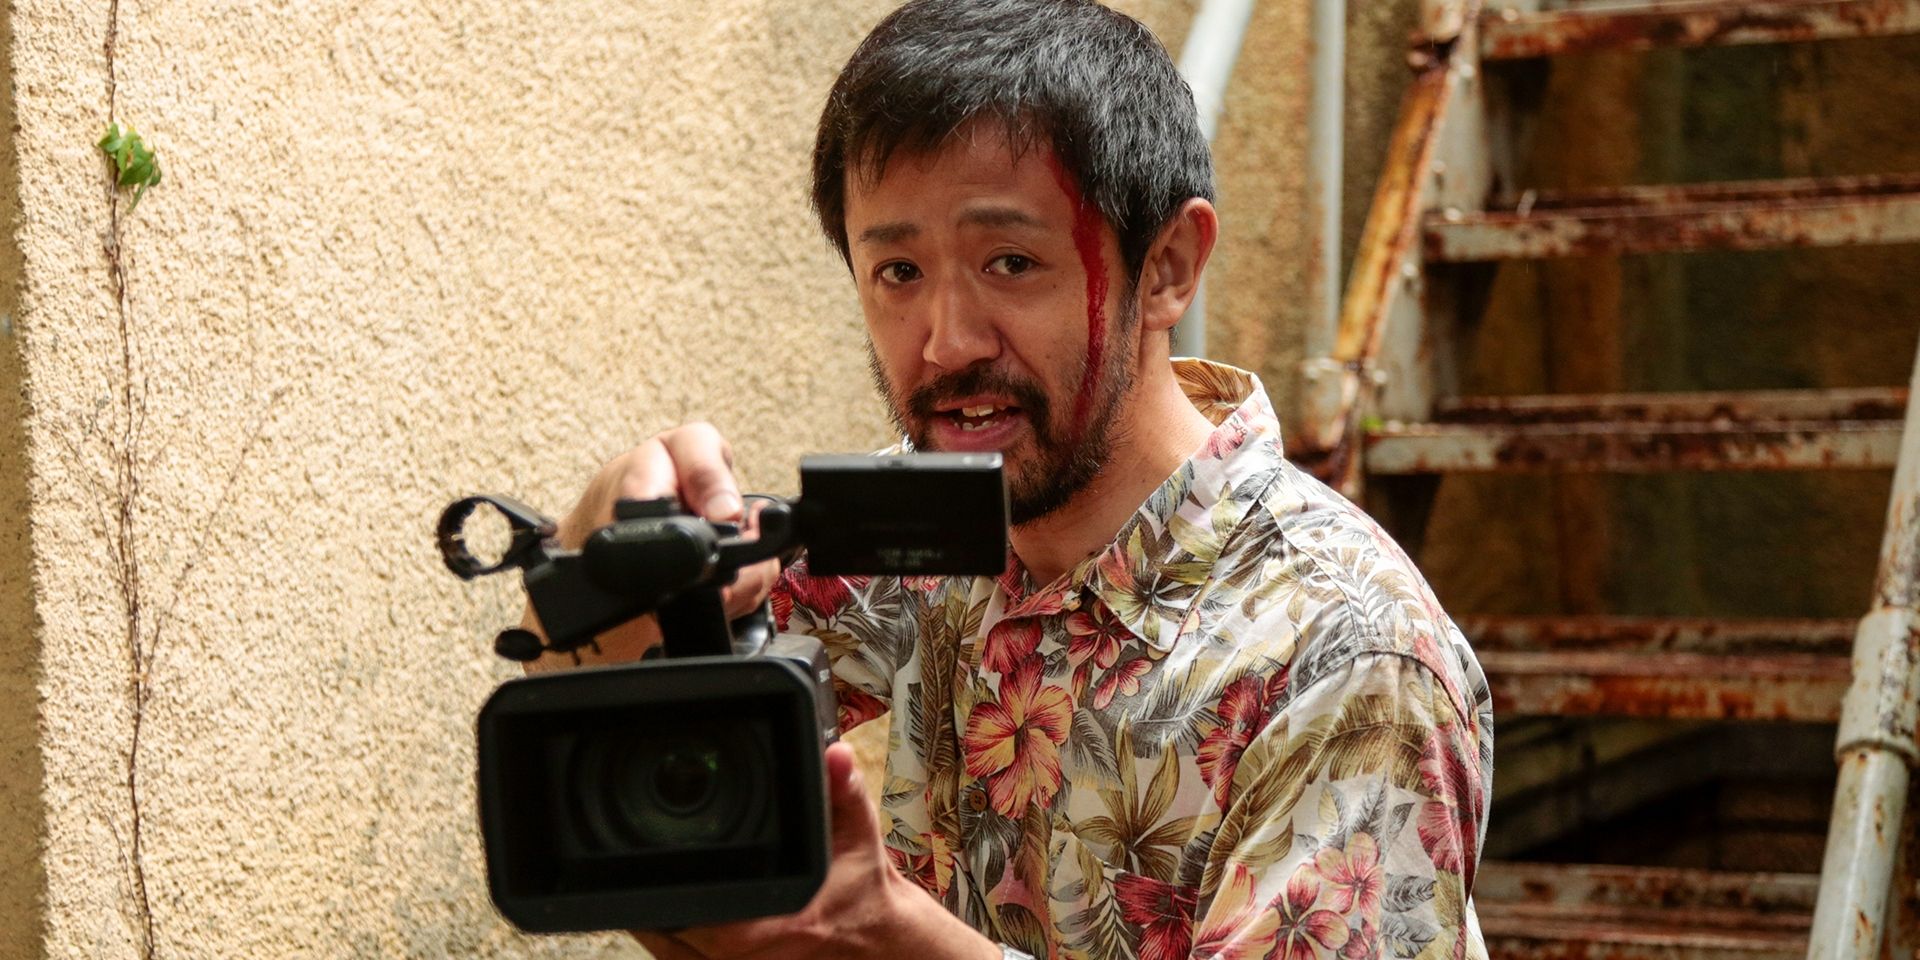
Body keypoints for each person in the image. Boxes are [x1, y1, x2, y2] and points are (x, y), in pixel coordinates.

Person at [534, 2, 1493, 958]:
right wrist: (596, 560)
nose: (947, 341)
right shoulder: (911, 537)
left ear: (1166, 267)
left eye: (1010, 261)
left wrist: (882, 940)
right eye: (898, 271)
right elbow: (593, 720)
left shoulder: (1345, 652)